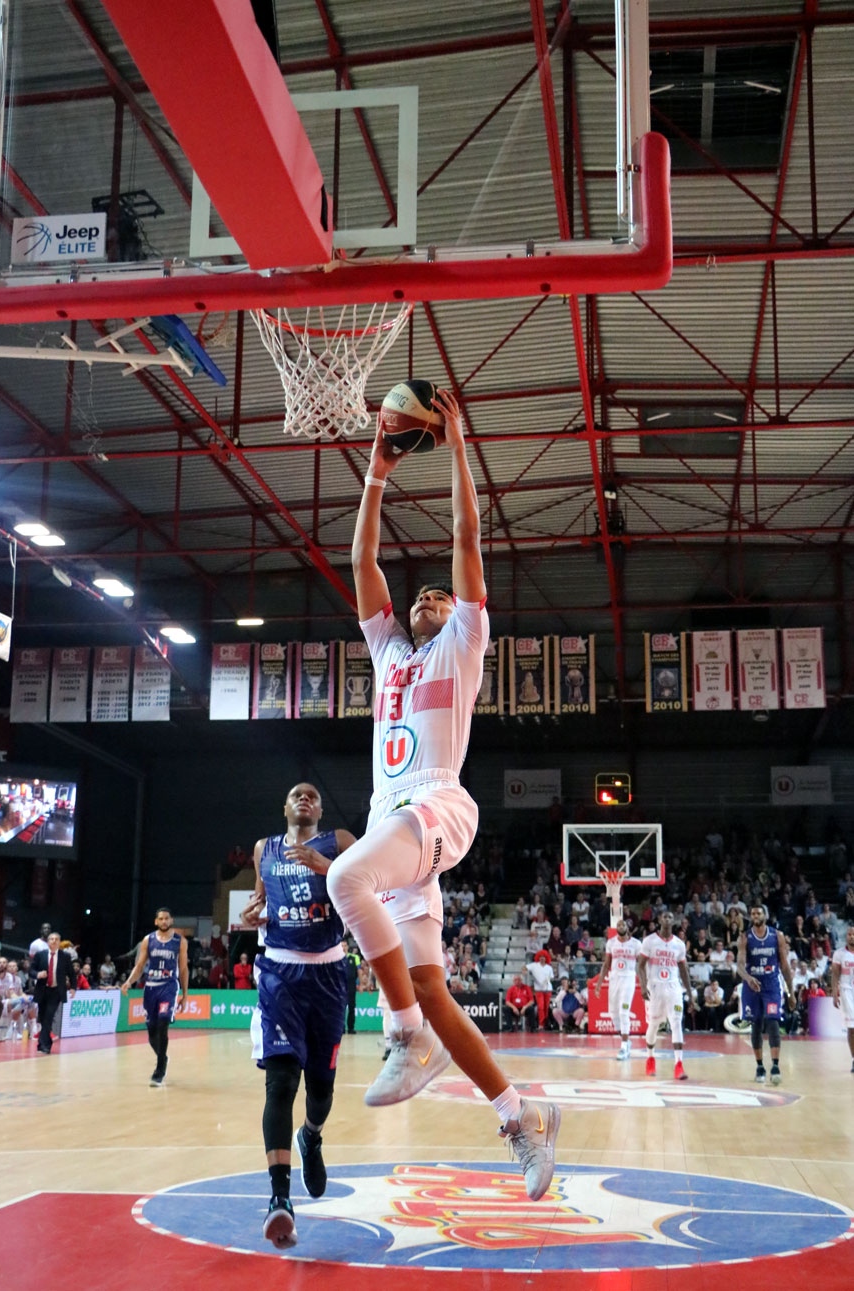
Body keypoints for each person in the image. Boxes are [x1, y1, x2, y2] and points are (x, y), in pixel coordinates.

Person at [324, 389, 560, 1203]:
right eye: (418, 594)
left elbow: (465, 536)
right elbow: (360, 565)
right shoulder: (388, 649)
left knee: (341, 879)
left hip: (436, 805)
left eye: (438, 593)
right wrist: (376, 476)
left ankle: (401, 1037)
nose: (427, 596)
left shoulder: (464, 639)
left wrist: (457, 443)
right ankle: (521, 1119)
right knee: (432, 986)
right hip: (400, 820)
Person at [238, 782, 355, 1251]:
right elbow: (259, 902)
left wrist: (330, 869)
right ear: (284, 807)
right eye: (295, 795)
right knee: (281, 1081)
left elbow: (369, 888)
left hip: (327, 974)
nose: (304, 798)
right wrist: (255, 914)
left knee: (321, 1090)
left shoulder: (341, 843)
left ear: (320, 810)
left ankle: (312, 1136)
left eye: (311, 795)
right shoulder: (264, 848)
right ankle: (279, 1199)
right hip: (279, 973)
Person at [120, 908, 188, 1087]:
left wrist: (185, 995)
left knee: (163, 1022)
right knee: (151, 1032)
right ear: (156, 922)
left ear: (171, 920)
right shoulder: (148, 940)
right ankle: (163, 1057)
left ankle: (159, 1070)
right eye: (161, 919)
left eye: (167, 918)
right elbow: (140, 965)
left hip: (169, 986)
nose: (164, 921)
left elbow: (183, 969)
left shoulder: (179, 941)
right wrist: (129, 982)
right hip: (151, 987)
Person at [736, 904, 796, 1085]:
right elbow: (739, 965)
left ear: (765, 915)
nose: (755, 915)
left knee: (772, 1021)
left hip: (771, 985)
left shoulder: (777, 935)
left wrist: (791, 992)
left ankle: (776, 1065)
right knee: (756, 1023)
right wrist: (748, 978)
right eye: (753, 913)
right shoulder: (745, 937)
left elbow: (784, 965)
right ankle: (760, 1066)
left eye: (759, 913)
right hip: (752, 985)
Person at [637, 911, 695, 1080]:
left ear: (674, 920)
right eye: (665, 917)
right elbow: (640, 965)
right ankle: (650, 1057)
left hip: (673, 988)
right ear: (660, 920)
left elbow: (683, 970)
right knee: (654, 1025)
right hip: (655, 987)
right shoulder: (649, 941)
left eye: (671, 917)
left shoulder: (679, 944)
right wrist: (642, 985)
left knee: (676, 1023)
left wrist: (690, 994)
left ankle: (679, 1065)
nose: (668, 919)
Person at [595, 919, 643, 1060]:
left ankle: (623, 1047)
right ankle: (627, 1042)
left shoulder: (636, 944)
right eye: (619, 925)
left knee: (624, 1011)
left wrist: (645, 983)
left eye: (623, 924)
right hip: (614, 979)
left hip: (628, 978)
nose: (621, 926)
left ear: (628, 927)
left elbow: (641, 966)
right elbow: (606, 964)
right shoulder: (611, 943)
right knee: (613, 1013)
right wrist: (599, 983)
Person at [31, 931, 77, 1054]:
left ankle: (45, 1046)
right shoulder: (40, 955)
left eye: (57, 939)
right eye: (51, 939)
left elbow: (72, 974)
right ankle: (43, 1044)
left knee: (48, 1017)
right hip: (42, 989)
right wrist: (37, 974)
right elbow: (31, 970)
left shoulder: (65, 956)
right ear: (48, 942)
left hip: (56, 991)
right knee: (42, 1016)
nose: (54, 941)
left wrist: (73, 987)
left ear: (59, 942)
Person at [830, 925, 854, 1073]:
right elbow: (835, 975)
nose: (851, 936)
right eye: (849, 934)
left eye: (853, 934)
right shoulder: (839, 954)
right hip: (847, 991)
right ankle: (853, 1059)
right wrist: (834, 992)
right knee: (852, 1028)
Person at [525, 949, 554, 1030]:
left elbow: (551, 977)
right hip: (538, 990)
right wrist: (524, 971)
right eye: (540, 956)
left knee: (546, 1007)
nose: (542, 958)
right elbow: (525, 967)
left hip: (548, 989)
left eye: (544, 957)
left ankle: (546, 1023)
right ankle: (541, 1023)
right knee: (540, 1007)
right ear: (538, 957)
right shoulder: (534, 965)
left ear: (546, 958)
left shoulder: (549, 967)